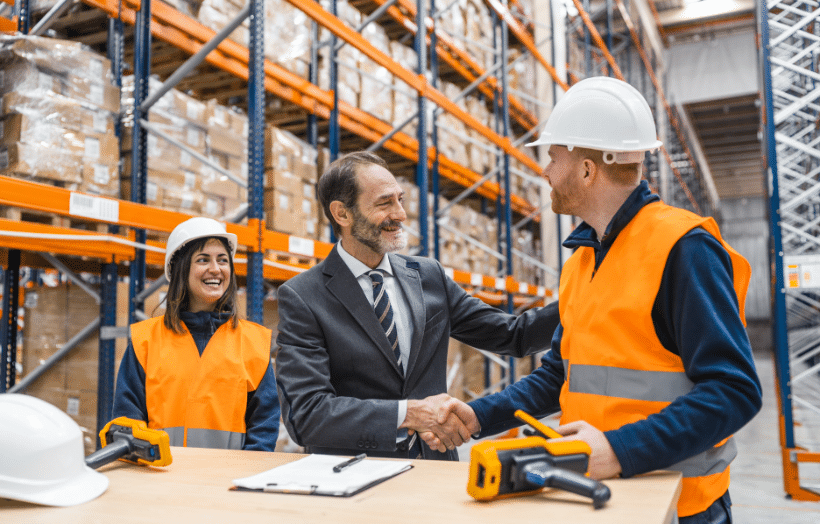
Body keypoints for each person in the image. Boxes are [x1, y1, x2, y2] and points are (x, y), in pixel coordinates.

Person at [427, 77, 762, 522]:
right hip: (597, 495)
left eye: (552, 157)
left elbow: (734, 390)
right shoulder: (582, 260)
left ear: (587, 170)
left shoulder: (683, 248)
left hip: (678, 505)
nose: (544, 171)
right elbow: (559, 376)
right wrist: (477, 416)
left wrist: (618, 449)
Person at [274, 151, 560, 460]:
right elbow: (308, 414)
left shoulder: (428, 276)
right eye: (385, 203)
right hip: (356, 477)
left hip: (435, 467)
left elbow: (515, 335)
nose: (400, 214)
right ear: (342, 214)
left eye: (400, 200)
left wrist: (581, 297)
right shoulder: (304, 296)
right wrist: (409, 414)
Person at [113, 217, 280, 451]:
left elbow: (263, 428)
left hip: (226, 483)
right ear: (181, 269)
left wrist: (243, 479)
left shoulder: (254, 344)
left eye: (223, 260)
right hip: (161, 480)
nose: (216, 269)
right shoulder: (146, 341)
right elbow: (127, 422)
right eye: (203, 260)